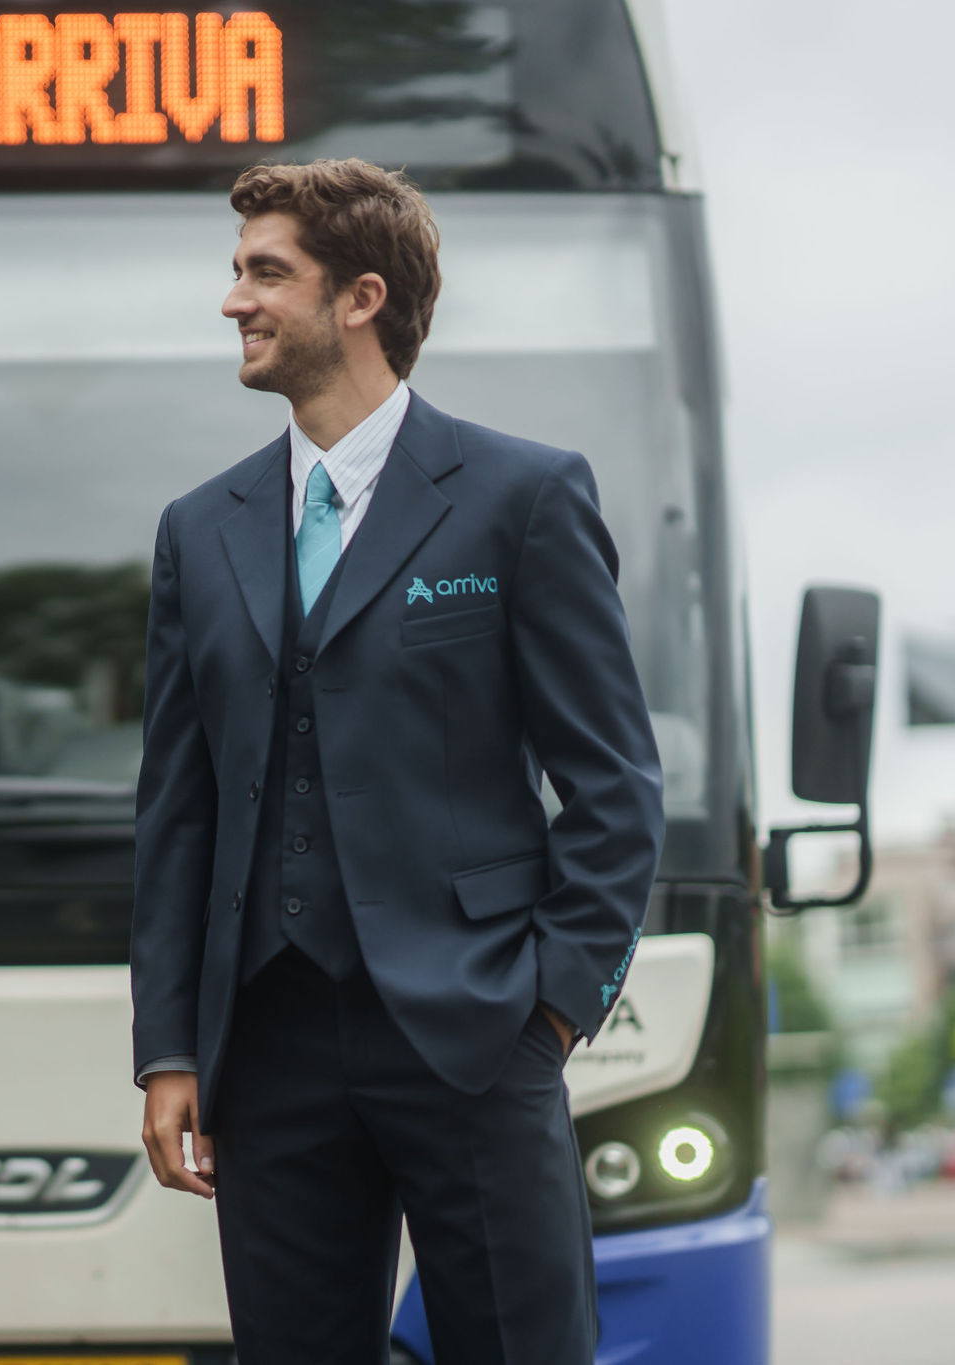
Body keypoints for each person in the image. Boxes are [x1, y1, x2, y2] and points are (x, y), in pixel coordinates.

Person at [130, 160, 664, 1363]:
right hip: (262, 1043)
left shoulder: (520, 497)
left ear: (361, 298)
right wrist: (168, 1047)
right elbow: (176, 809)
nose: (233, 303)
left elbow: (613, 782)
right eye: (235, 274)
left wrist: (555, 1005)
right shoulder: (196, 529)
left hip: (475, 1025)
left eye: (265, 274)